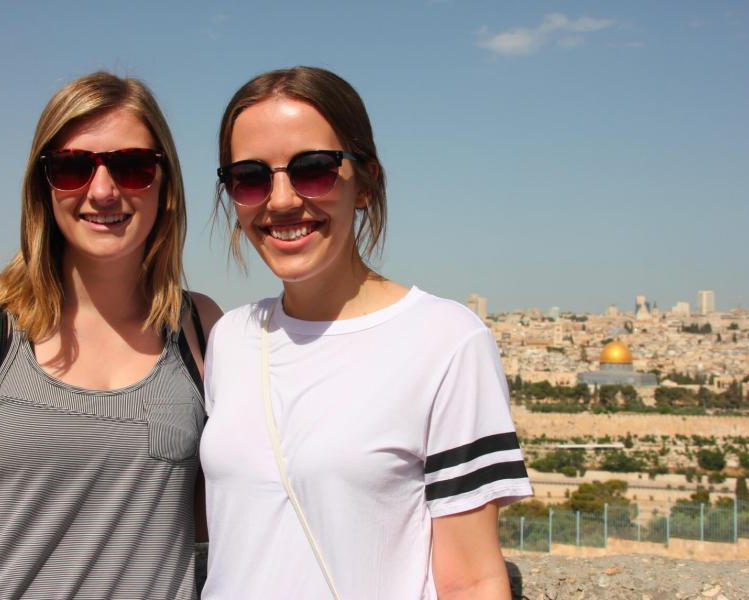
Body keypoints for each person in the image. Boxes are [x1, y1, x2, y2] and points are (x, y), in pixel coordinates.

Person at [201, 66, 533, 599]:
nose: (282, 200)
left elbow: (471, 580)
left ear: (365, 182)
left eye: (314, 170)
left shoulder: (445, 341)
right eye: (251, 177)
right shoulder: (232, 338)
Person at [0, 71, 221, 599]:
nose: (104, 190)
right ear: (42, 188)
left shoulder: (200, 328)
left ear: (166, 184)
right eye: (72, 168)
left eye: (133, 166)